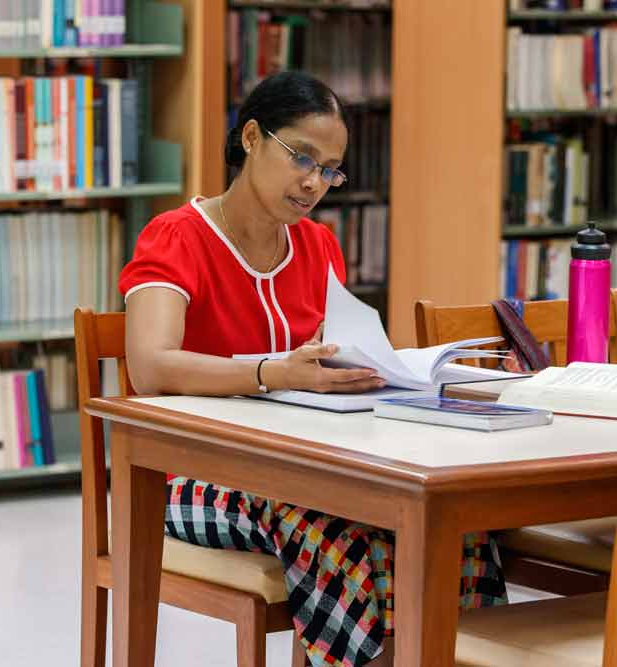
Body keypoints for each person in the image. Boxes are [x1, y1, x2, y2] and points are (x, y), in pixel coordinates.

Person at [118, 71, 508, 667]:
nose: (313, 182)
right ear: (251, 137)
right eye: (302, 156)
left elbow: (330, 356)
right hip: (189, 479)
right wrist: (274, 373)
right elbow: (150, 367)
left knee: (445, 527)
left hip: (302, 468)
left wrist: (360, 372)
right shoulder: (176, 237)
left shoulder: (319, 247)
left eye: (329, 169)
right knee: (328, 528)